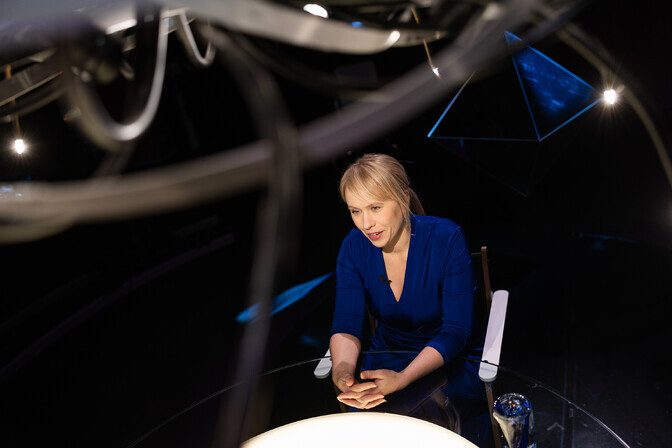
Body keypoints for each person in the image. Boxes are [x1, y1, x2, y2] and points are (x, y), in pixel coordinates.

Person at [329, 153, 480, 411]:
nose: (366, 224)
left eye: (375, 208)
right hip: (388, 357)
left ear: (403, 198)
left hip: (450, 360)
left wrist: (404, 378)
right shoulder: (353, 247)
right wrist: (342, 373)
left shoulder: (446, 238)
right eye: (356, 211)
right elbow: (346, 325)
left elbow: (456, 331)